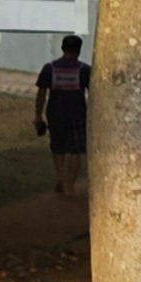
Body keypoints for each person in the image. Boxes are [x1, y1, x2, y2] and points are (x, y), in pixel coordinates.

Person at [33, 34, 91, 200]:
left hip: (55, 112)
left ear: (62, 48)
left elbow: (41, 93)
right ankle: (70, 185)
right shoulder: (84, 70)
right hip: (78, 113)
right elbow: (92, 92)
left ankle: (60, 177)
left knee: (58, 147)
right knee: (76, 150)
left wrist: (38, 114)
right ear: (79, 50)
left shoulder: (50, 68)